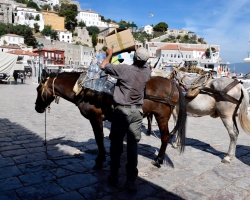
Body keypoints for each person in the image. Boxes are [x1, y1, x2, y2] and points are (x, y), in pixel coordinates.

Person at [101, 46, 151, 191]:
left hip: (122, 112)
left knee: (116, 145)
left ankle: (114, 177)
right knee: (132, 146)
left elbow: (103, 65)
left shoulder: (124, 69)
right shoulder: (147, 72)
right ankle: (130, 181)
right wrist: (140, 52)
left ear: (134, 58)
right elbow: (146, 64)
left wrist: (109, 54)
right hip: (137, 113)